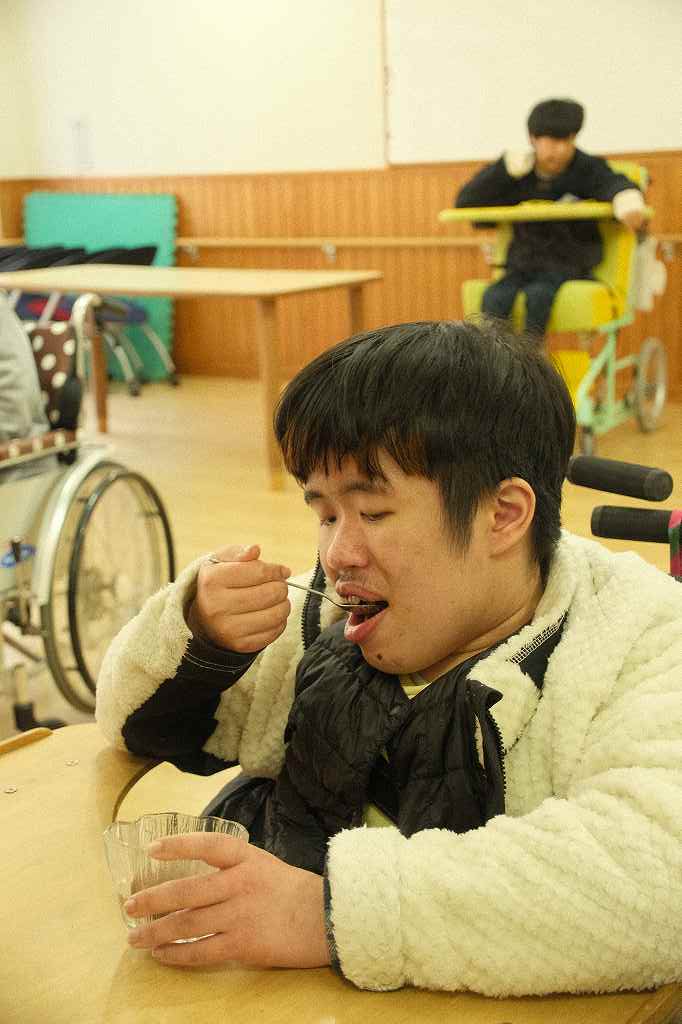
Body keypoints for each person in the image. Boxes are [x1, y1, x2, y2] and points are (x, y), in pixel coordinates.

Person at [96, 319, 682, 995]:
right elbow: (131, 726)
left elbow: (654, 880)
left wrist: (328, 914)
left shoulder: (637, 635)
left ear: (503, 515)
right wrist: (198, 638)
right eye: (325, 514)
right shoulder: (316, 618)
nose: (337, 555)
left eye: (372, 513)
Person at [455, 98, 648, 336]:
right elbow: (466, 200)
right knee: (495, 297)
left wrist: (627, 198)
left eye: (567, 140)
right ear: (533, 139)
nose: (561, 149)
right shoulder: (518, 173)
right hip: (522, 263)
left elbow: (613, 182)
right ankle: (492, 355)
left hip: (568, 264)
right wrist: (501, 170)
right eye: (552, 141)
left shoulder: (587, 168)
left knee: (538, 296)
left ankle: (531, 355)